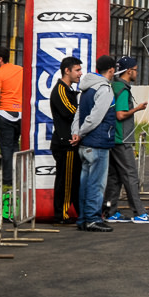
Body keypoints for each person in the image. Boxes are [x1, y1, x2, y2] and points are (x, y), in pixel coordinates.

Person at [103, 56, 149, 224]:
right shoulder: (122, 88)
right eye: (135, 69)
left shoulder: (114, 86)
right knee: (130, 175)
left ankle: (110, 211)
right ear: (129, 71)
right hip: (122, 139)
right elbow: (120, 114)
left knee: (115, 177)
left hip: (114, 138)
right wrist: (137, 108)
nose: (137, 72)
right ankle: (139, 213)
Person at [70, 55, 118, 232]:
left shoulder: (86, 88)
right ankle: (92, 218)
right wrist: (81, 133)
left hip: (84, 145)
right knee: (97, 184)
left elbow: (78, 114)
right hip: (98, 143)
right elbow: (96, 117)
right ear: (111, 70)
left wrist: (76, 133)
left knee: (85, 182)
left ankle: (83, 218)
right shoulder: (104, 89)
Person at [50, 56, 82, 224]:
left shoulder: (70, 90)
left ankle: (76, 212)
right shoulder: (61, 90)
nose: (80, 73)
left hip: (70, 143)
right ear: (67, 71)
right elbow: (73, 113)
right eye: (77, 70)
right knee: (66, 181)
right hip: (65, 143)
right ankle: (61, 214)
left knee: (73, 180)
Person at [0, 45, 24, 214]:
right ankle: (17, 178)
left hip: (5, 113)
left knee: (6, 149)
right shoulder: (20, 69)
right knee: (15, 147)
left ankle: (8, 182)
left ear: (0, 58)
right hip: (20, 112)